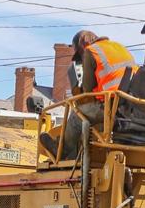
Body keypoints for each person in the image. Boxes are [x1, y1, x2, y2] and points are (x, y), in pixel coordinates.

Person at [58, 30, 139, 160]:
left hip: (111, 106)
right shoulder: (119, 47)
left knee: (77, 114)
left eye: (80, 55)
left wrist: (78, 90)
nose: (82, 59)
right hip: (131, 107)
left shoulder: (92, 51)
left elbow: (87, 89)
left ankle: (62, 150)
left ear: (83, 43)